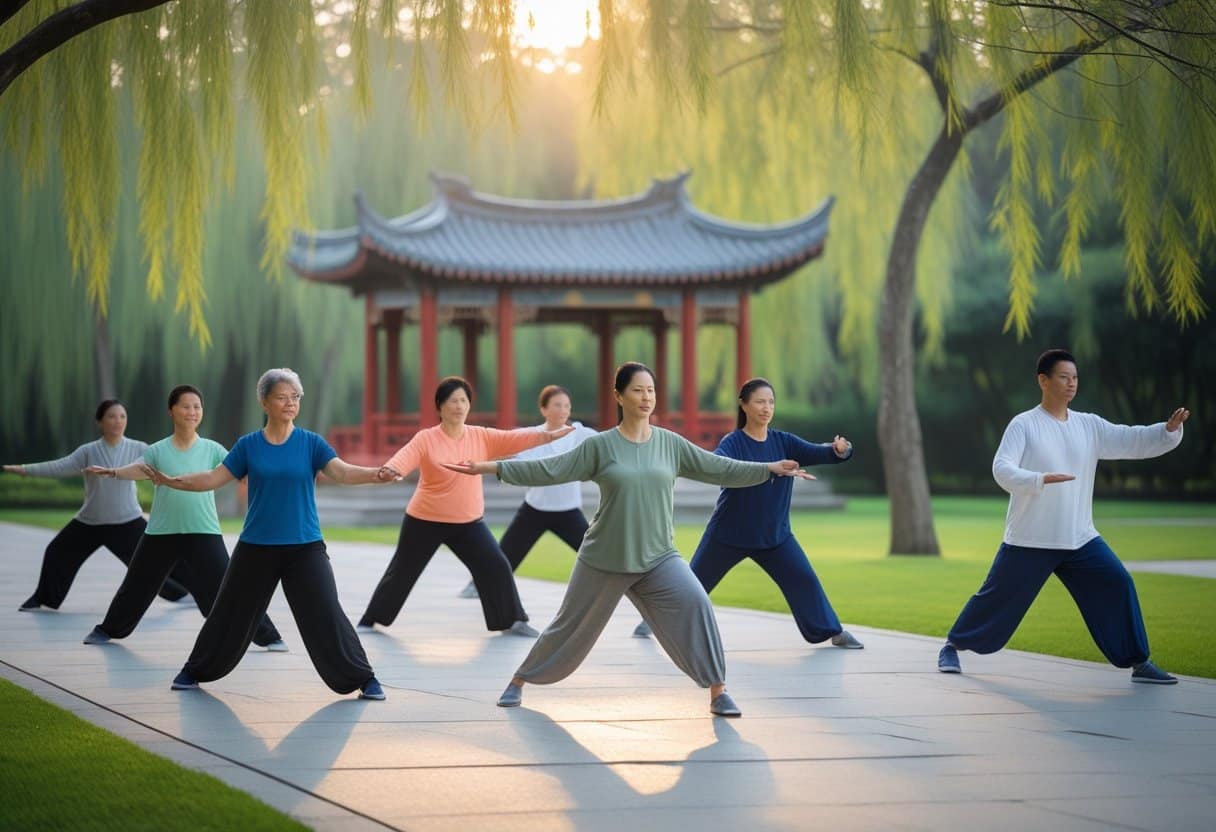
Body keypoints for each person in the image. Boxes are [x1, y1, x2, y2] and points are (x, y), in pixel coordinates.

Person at [445, 362, 805, 717]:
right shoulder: (601, 447)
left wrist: (768, 469)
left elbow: (719, 468)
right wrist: (490, 467)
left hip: (658, 556)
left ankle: (718, 691)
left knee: (697, 602)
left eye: (651, 390)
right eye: (637, 390)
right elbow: (549, 469)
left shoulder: (669, 444)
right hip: (605, 556)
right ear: (618, 395)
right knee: (567, 627)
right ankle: (520, 680)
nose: (646, 397)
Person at [937, 349, 1189, 684]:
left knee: (1117, 583)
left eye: (1075, 378)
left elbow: (1131, 439)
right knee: (995, 599)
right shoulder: (1024, 424)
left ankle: (1139, 662)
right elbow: (1002, 469)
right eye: (1063, 377)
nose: (1071, 384)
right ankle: (953, 645)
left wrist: (1166, 431)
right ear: (1043, 381)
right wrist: (1038, 479)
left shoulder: (1089, 426)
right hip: (1031, 537)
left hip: (1079, 537)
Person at [148, 368, 390, 700]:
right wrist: (173, 480)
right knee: (229, 611)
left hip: (305, 547)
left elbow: (342, 472)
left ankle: (364, 678)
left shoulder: (310, 443)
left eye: (296, 397)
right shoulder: (249, 446)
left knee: (326, 611)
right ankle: (194, 670)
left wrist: (376, 474)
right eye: (282, 397)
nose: (290, 403)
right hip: (256, 547)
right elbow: (213, 478)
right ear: (264, 401)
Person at [632, 377, 862, 648]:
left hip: (775, 536)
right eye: (760, 402)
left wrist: (839, 450)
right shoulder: (734, 442)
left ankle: (832, 632)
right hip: (728, 534)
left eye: (771, 402)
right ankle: (653, 619)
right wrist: (769, 469)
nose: (767, 408)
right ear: (744, 405)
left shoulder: (783, 441)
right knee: (693, 584)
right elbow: (720, 468)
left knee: (804, 579)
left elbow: (819, 452)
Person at [361, 377, 572, 636]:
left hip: (467, 522)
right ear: (439, 407)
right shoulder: (426, 438)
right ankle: (370, 621)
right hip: (424, 520)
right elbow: (404, 458)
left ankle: (513, 621)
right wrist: (391, 470)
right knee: (402, 571)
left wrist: (548, 436)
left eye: (464, 400)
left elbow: (515, 439)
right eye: (453, 401)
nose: (459, 406)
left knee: (495, 564)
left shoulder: (480, 436)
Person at [80, 385, 284, 650]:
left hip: (203, 531)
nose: (192, 412)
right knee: (137, 585)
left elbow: (238, 470)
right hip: (161, 532)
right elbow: (142, 468)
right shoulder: (158, 450)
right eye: (186, 406)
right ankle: (108, 629)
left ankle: (270, 637)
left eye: (197, 407)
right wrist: (114, 472)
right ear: (172, 411)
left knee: (228, 587)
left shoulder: (212, 449)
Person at [4, 399, 190, 612]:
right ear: (100, 422)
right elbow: (59, 467)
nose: (118, 421)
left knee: (156, 558)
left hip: (127, 522)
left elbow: (164, 463)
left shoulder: (139, 448)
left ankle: (186, 593)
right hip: (89, 521)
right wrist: (25, 469)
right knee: (56, 552)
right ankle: (42, 598)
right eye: (111, 416)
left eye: (122, 416)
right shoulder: (88, 451)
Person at [458, 384, 597, 599]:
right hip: (535, 509)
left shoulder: (581, 434)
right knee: (505, 554)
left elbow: (608, 443)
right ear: (544, 409)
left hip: (568, 511)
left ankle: (621, 588)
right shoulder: (530, 436)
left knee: (595, 554)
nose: (563, 410)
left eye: (567, 406)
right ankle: (477, 585)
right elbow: (502, 443)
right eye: (557, 405)